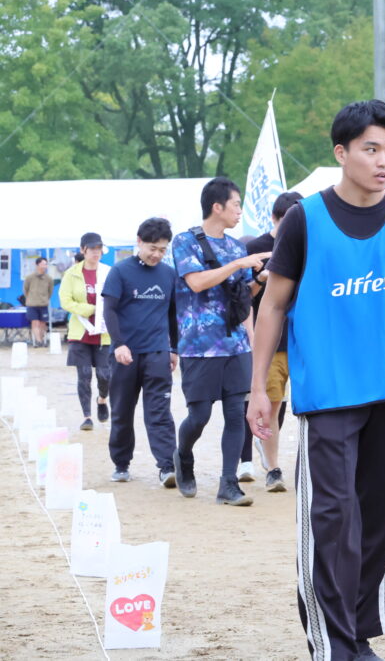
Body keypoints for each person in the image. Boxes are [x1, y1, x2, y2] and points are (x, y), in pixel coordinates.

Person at [247, 99, 385, 660]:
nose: (383, 161)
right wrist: (257, 388)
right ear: (341, 153)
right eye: (371, 149)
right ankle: (332, 643)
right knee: (332, 519)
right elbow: (272, 306)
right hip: (329, 395)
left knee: (380, 516)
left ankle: (358, 631)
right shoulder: (305, 220)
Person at [171, 177, 271, 506]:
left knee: (235, 413)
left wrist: (260, 278)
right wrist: (237, 264)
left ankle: (228, 484)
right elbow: (197, 283)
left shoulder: (236, 247)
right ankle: (183, 456)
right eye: (236, 204)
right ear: (217, 207)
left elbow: (243, 296)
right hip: (199, 345)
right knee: (199, 416)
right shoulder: (185, 241)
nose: (240, 211)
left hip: (235, 344)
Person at [102, 218, 179, 485]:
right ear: (139, 242)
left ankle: (168, 466)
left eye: (162, 249)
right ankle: (121, 463)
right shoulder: (120, 271)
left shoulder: (169, 274)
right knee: (122, 411)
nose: (157, 254)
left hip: (157, 352)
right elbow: (109, 311)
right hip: (125, 354)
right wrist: (119, 343)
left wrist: (174, 348)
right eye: (152, 248)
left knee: (159, 412)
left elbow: (173, 314)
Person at [238, 190, 303, 491]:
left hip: (303, 340)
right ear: (275, 218)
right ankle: (273, 467)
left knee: (308, 406)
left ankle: (301, 466)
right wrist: (252, 335)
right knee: (270, 406)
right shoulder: (255, 249)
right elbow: (242, 299)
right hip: (271, 343)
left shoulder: (309, 245)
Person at [59, 233, 112, 431]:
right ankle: (87, 416)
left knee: (105, 375)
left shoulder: (108, 272)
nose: (96, 253)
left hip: (104, 332)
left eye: (99, 249)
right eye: (92, 249)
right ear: (83, 250)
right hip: (80, 332)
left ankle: (102, 399)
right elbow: (65, 301)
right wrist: (89, 309)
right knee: (84, 374)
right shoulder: (71, 274)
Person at [23, 257, 54, 348]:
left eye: (46, 264)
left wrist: (45, 298)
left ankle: (42, 339)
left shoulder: (49, 278)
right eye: (43, 264)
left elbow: (50, 291)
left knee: (43, 323)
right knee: (35, 322)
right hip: (32, 304)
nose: (45, 266)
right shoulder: (29, 277)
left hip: (43, 304)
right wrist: (30, 298)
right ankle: (38, 341)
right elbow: (25, 290)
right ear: (37, 265)